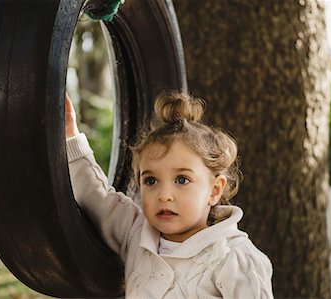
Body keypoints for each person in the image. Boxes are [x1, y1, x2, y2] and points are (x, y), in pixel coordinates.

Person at [65, 91, 273, 298]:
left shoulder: (235, 258)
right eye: (151, 181)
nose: (164, 195)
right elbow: (95, 195)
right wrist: (70, 136)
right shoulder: (136, 232)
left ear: (214, 190)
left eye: (182, 180)